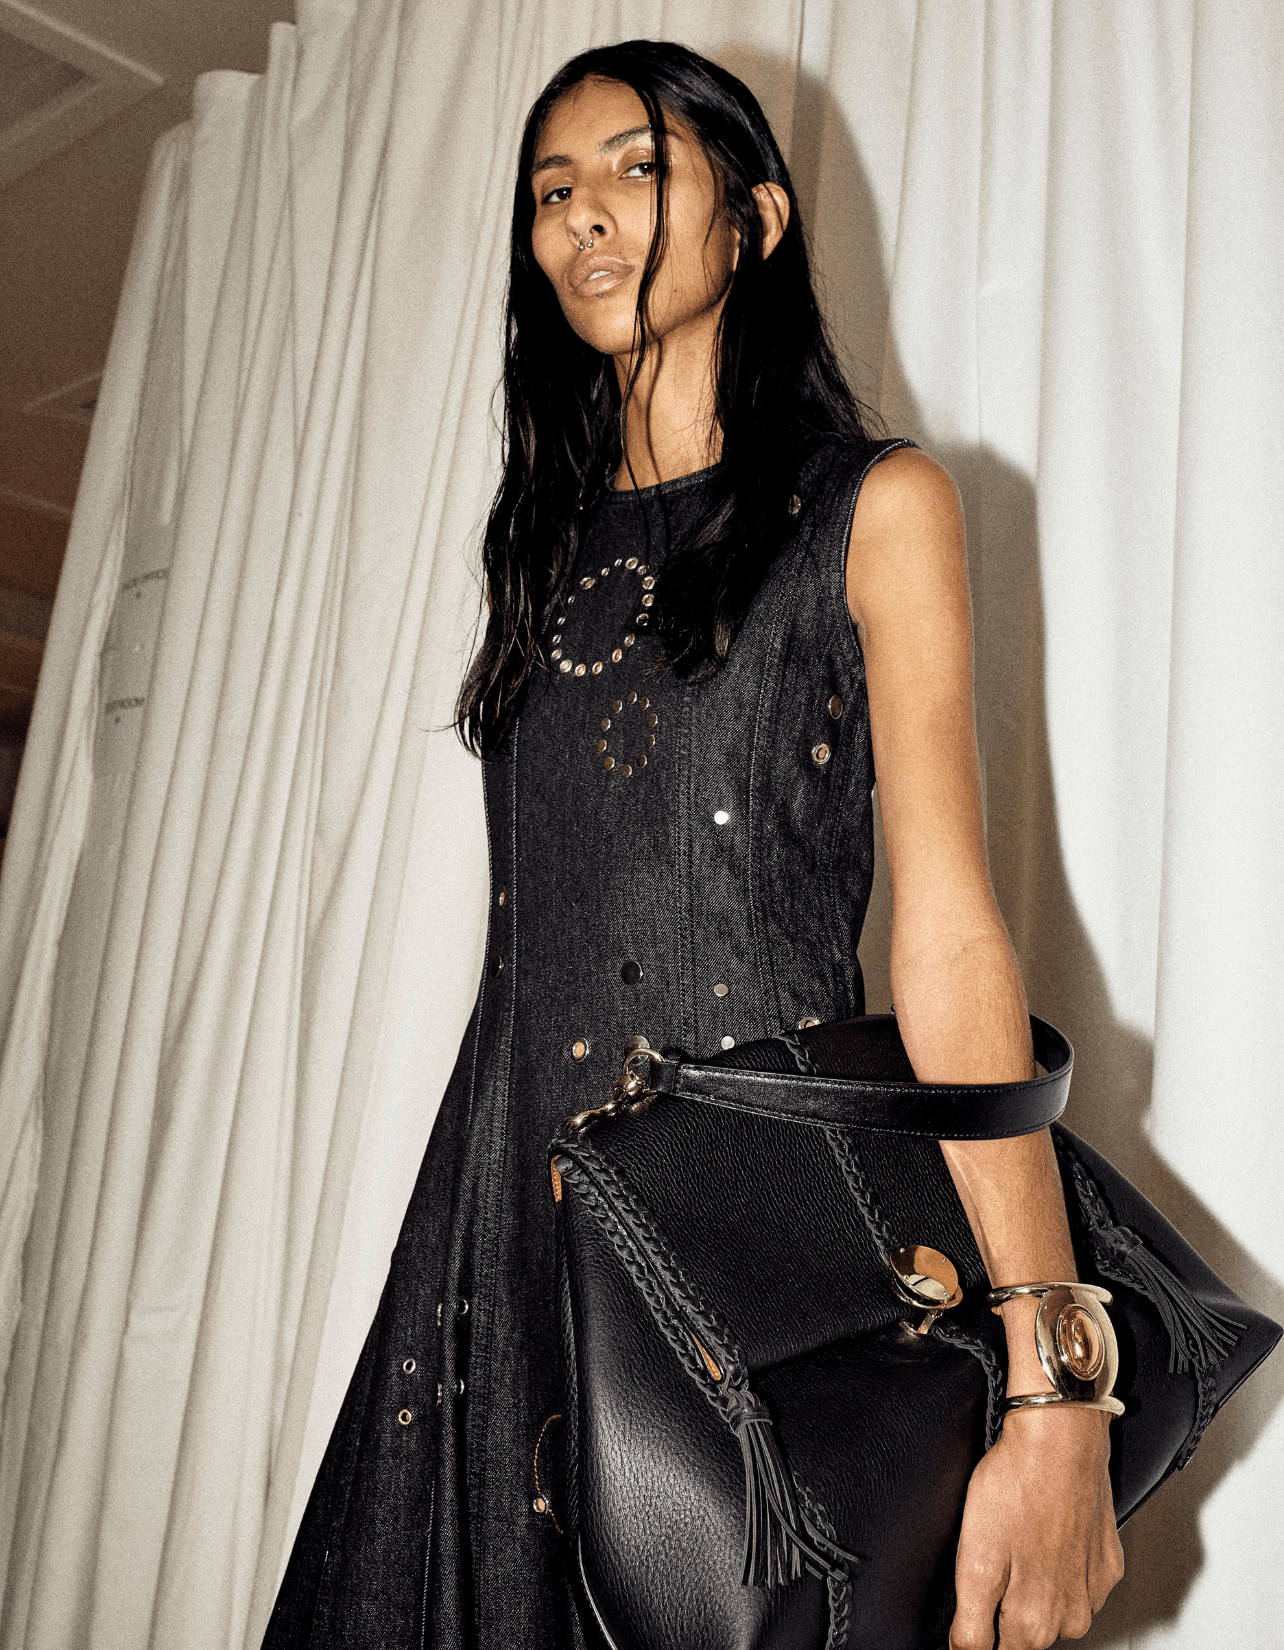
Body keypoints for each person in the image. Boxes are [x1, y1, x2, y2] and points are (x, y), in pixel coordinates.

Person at [264, 39, 1123, 1650]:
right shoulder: (543, 548)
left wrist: (1053, 1375)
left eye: (638, 168)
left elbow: (948, 939)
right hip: (505, 1229)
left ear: (761, 220)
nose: (588, 213)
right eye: (552, 189)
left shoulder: (877, 507)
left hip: (752, 1242)